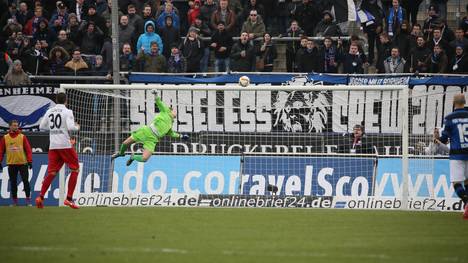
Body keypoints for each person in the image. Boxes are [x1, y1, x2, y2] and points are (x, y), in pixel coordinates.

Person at [111, 91, 189, 166]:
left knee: (145, 158)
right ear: (170, 111)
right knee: (125, 143)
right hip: (146, 131)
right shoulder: (165, 111)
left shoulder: (170, 124)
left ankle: (133, 157)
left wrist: (181, 136)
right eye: (174, 110)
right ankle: (121, 153)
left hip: (152, 139)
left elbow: (171, 133)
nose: (176, 112)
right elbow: (159, 102)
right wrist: (156, 94)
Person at [37, 93, 80, 209]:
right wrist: (77, 127)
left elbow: (41, 126)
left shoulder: (49, 111)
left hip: (53, 146)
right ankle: (69, 199)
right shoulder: (68, 112)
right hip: (65, 145)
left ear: (56, 100)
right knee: (75, 169)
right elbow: (71, 128)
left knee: (52, 172)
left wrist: (53, 130)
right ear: (66, 101)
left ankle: (40, 197)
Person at [437, 94, 468, 219]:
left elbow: (444, 139)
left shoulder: (449, 118)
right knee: (467, 181)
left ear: (454, 103)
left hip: (457, 154)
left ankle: (466, 203)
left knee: (456, 183)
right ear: (464, 102)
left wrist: (438, 140)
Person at [0, 120, 33, 206]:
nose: (16, 127)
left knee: (26, 181)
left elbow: (28, 150)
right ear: (10, 126)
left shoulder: (22, 137)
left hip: (23, 163)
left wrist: (29, 161)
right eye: (14, 125)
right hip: (11, 164)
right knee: (13, 183)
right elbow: (1, 151)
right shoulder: (5, 138)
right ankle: (15, 202)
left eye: (17, 125)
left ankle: (28, 201)